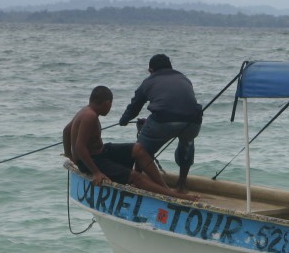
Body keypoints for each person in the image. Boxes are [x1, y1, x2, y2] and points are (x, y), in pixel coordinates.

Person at [63, 85, 192, 200]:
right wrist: (96, 172)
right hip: (93, 161)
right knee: (135, 177)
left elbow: (66, 131)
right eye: (111, 105)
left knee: (138, 149)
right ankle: (173, 196)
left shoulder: (84, 111)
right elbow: (80, 146)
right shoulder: (89, 116)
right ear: (107, 104)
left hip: (100, 152)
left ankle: (165, 188)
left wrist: (69, 155)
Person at [118, 54, 203, 190]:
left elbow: (134, 107)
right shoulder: (184, 79)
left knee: (141, 149)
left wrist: (124, 120)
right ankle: (181, 184)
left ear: (151, 70)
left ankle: (137, 182)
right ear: (170, 67)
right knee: (187, 145)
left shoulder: (148, 81)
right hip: (193, 121)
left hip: (163, 121)